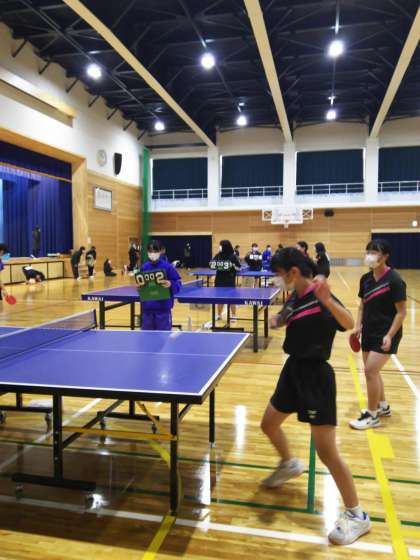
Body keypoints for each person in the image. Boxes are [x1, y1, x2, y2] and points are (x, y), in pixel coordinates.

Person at [261, 247, 370, 545]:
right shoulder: (296, 295)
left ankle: (357, 515)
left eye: (279, 274)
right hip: (292, 370)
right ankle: (289, 463)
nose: (277, 280)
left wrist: (327, 300)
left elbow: (348, 323)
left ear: (293, 272)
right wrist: (278, 319)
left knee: (327, 452)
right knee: (268, 424)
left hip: (316, 377)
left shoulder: (320, 294)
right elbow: (288, 313)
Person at [349, 239, 407, 430]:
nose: (370, 255)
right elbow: (362, 306)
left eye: (374, 252)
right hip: (369, 331)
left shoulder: (394, 280)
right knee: (372, 372)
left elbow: (401, 313)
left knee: (370, 371)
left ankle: (372, 416)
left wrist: (390, 335)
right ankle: (383, 407)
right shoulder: (365, 279)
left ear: (385, 256)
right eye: (368, 251)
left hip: (387, 334)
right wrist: (357, 326)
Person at [137, 239, 182, 330]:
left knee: (163, 337)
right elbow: (141, 287)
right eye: (150, 251)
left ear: (160, 251)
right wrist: (139, 288)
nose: (153, 253)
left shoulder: (168, 267)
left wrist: (171, 284)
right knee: (146, 337)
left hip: (163, 312)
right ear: (147, 252)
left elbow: (178, 284)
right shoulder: (144, 267)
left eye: (155, 251)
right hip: (147, 312)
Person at [210, 240, 241, 321]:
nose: (219, 247)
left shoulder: (233, 256)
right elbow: (211, 265)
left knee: (231, 299)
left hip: (229, 280)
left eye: (221, 245)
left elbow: (239, 267)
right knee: (220, 298)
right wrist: (214, 264)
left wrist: (233, 266)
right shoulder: (218, 255)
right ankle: (219, 315)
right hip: (219, 280)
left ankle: (233, 315)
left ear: (225, 246)